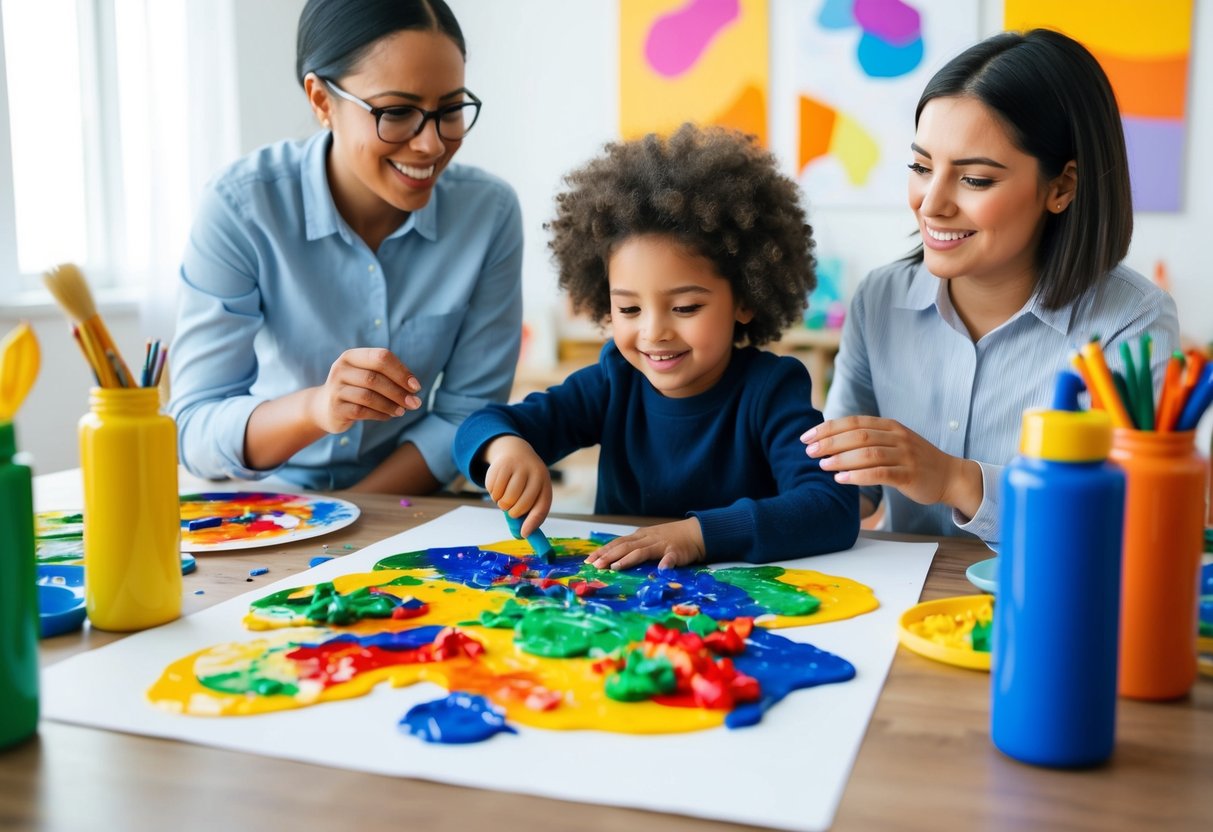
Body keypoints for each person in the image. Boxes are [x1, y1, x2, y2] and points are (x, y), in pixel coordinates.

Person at [802, 29, 1179, 543]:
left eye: (974, 179)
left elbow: (1124, 520)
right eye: (920, 166)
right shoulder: (879, 300)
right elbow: (846, 487)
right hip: (907, 613)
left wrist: (955, 479)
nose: (931, 203)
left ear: (1062, 187)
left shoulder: (1131, 323)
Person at [453, 124, 859, 570]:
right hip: (617, 609)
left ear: (745, 299)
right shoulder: (615, 380)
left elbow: (831, 507)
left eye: (685, 307)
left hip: (736, 610)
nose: (654, 332)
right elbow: (480, 425)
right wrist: (506, 448)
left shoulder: (771, 389)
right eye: (629, 310)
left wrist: (699, 536)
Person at [170, 0, 523, 493]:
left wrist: (352, 517)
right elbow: (195, 428)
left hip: (408, 508)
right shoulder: (241, 206)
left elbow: (467, 414)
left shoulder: (490, 214)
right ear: (320, 100)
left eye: (449, 111)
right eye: (397, 112)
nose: (431, 145)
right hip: (271, 509)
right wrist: (316, 409)